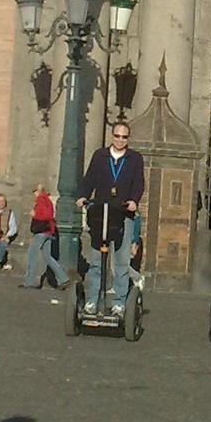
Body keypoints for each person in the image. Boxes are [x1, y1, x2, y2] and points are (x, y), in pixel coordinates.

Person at [77, 117, 145, 315]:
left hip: (123, 213)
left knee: (122, 260)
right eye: (117, 136)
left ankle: (119, 302)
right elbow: (89, 178)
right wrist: (83, 196)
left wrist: (134, 201)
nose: (120, 140)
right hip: (101, 211)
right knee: (97, 259)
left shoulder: (134, 158)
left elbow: (139, 183)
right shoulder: (100, 156)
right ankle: (92, 299)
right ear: (111, 136)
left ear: (128, 138)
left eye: (124, 137)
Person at [22, 183, 69, 289]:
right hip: (49, 231)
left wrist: (35, 215)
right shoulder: (47, 200)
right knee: (48, 257)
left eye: (34, 192)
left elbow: (46, 215)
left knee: (32, 255)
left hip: (41, 232)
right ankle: (63, 278)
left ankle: (30, 281)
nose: (34, 194)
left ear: (37, 191)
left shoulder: (41, 199)